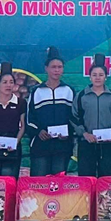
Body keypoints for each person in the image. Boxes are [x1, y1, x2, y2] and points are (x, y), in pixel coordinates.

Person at [27, 46, 74, 176]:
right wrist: (38, 131)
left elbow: (75, 117)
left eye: (60, 67)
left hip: (62, 147)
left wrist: (68, 132)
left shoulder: (69, 91)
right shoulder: (36, 91)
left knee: (58, 183)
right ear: (46, 69)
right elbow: (29, 118)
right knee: (39, 183)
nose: (56, 70)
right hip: (40, 146)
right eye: (53, 67)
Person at [72, 54, 111, 177]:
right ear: (89, 77)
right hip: (87, 143)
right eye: (94, 75)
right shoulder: (81, 96)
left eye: (101, 75)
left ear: (106, 77)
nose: (97, 78)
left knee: (108, 178)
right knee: (87, 178)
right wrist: (84, 133)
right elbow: (74, 117)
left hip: (108, 144)